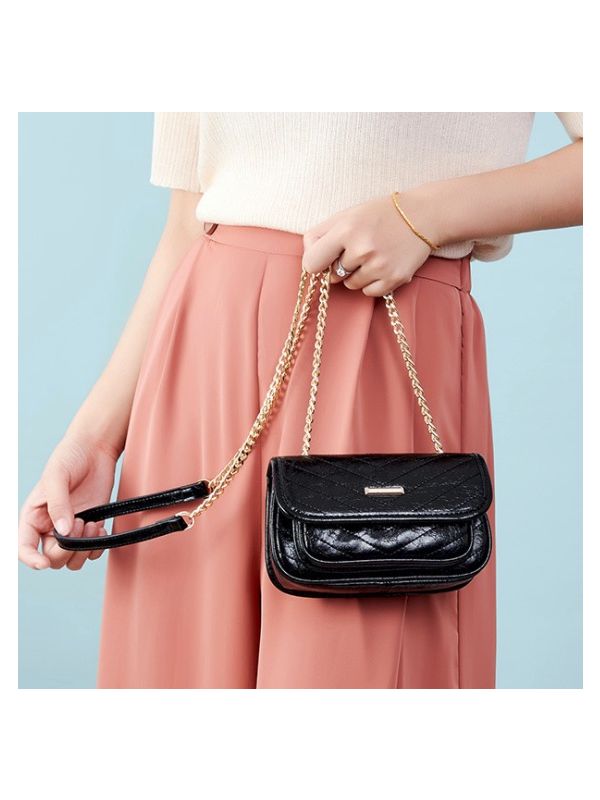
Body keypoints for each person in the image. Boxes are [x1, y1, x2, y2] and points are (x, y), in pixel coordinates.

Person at [18, 112, 583, 689]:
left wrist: (422, 218)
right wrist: (94, 439)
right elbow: (187, 225)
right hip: (202, 364)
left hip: (377, 344)